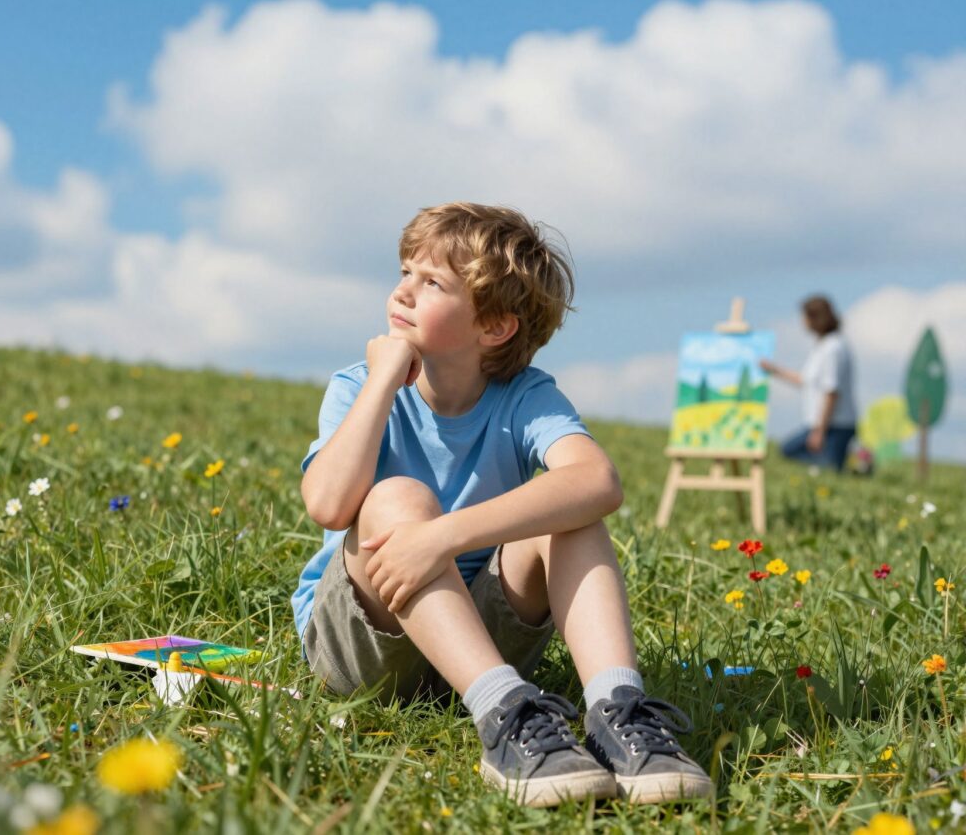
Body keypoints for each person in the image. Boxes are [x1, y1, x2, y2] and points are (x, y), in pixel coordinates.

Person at [292, 202, 713, 807]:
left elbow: (598, 479)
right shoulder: (359, 385)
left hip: (480, 631)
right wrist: (385, 379)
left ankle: (620, 716)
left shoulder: (525, 397)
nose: (403, 291)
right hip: (366, 641)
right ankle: (506, 715)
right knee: (396, 499)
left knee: (573, 514)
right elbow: (330, 505)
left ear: (494, 327)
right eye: (406, 271)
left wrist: (441, 538)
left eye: (431, 282)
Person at [759, 296, 858, 472]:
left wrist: (820, 430)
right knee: (789, 451)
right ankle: (852, 467)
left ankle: (860, 468)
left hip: (835, 424)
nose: (802, 322)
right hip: (819, 423)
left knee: (830, 469)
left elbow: (831, 391)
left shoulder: (833, 348)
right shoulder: (821, 347)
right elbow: (805, 380)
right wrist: (774, 370)